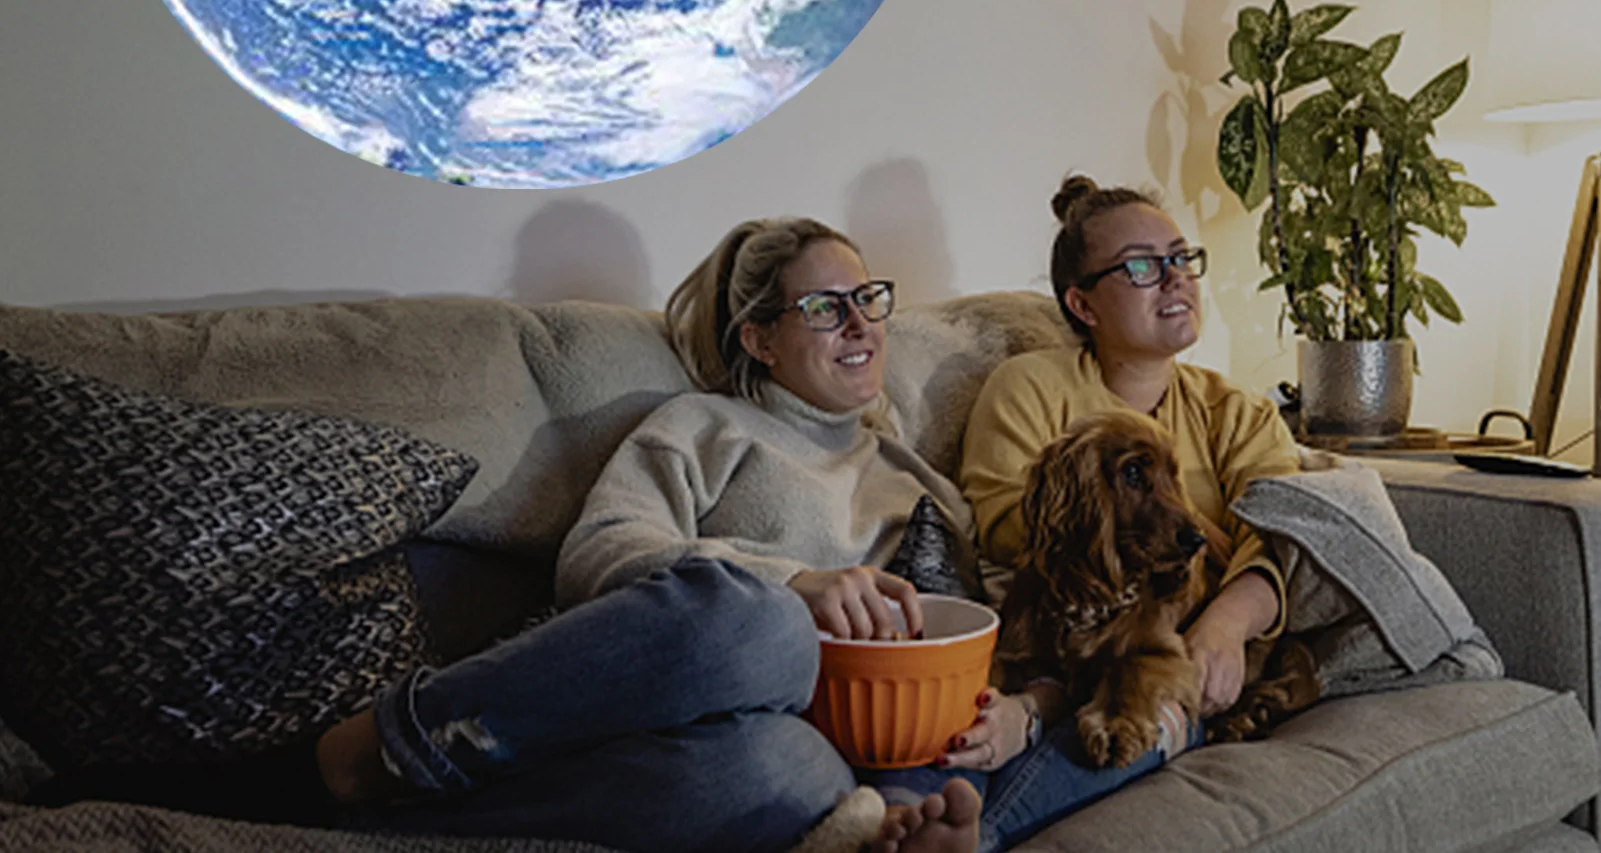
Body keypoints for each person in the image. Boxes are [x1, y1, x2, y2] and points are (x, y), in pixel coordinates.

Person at [311, 215, 1189, 853]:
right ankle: (398, 739)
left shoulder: (919, 480)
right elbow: (597, 553)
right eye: (826, 306)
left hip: (830, 748)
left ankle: (891, 833)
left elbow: (1010, 632)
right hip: (733, 670)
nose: (861, 323)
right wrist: (792, 583)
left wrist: (1025, 714)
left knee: (790, 774)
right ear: (760, 339)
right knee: (761, 623)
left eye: (869, 298)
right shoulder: (702, 428)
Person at [959, 175, 1303, 725]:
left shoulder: (1240, 412)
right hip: (1080, 654)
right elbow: (1013, 529)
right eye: (1141, 266)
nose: (1175, 278)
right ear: (1083, 304)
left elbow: (1284, 540)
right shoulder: (1029, 386)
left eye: (1181, 258)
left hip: (1205, 651)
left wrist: (1226, 625)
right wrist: (1201, 542)